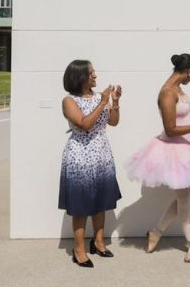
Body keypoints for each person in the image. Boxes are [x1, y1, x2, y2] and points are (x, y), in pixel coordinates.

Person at [125, 53, 190, 263]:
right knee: (185, 199)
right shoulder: (167, 94)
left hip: (188, 149)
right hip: (173, 151)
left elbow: (184, 120)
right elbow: (170, 130)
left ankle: (157, 231)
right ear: (188, 71)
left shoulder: (179, 90)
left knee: (189, 196)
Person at [59, 60, 122, 268]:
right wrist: (103, 103)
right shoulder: (69, 101)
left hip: (101, 155)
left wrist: (115, 102)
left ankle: (99, 242)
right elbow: (84, 124)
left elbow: (112, 123)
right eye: (91, 72)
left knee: (100, 202)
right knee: (81, 206)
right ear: (80, 76)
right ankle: (79, 249)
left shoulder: (99, 98)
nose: (95, 75)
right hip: (80, 158)